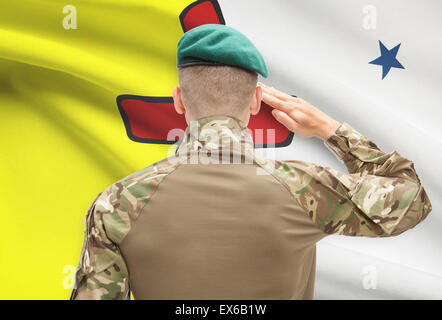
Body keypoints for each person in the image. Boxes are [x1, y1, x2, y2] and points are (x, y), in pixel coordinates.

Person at [70, 24, 432, 300]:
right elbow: (411, 198)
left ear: (179, 100)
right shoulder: (305, 188)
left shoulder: (117, 204)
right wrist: (329, 129)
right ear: (257, 102)